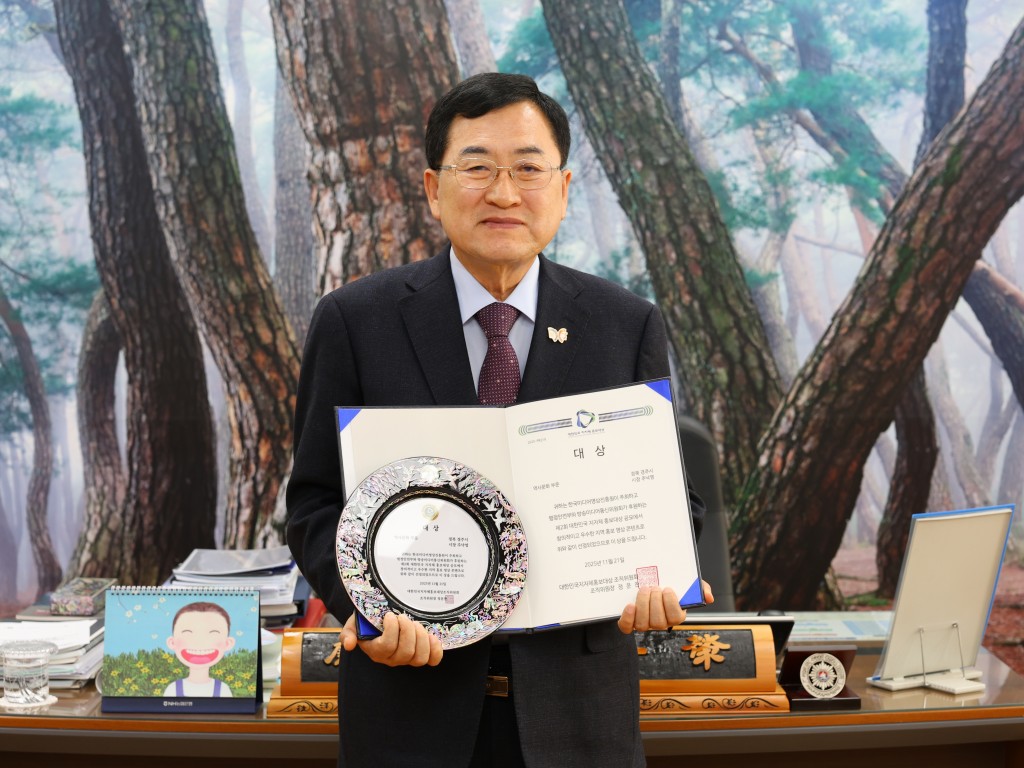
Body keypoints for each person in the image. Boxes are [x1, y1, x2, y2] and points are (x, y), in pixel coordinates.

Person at [286, 72, 710, 768]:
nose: (505, 193)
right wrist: (367, 607)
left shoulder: (624, 323)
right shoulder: (356, 321)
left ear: (563, 189)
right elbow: (313, 502)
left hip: (579, 719)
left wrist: (662, 571)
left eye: (528, 169)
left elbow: (668, 496)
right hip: (409, 710)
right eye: (478, 168)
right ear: (434, 188)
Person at [163, 602, 235, 698]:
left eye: (213, 633)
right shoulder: (172, 689)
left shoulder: (223, 689)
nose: (199, 642)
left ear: (228, 644)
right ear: (172, 642)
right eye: (188, 633)